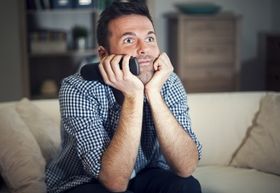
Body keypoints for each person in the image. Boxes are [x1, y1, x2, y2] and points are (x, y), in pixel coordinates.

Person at [46, 1, 202, 193]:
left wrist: (153, 93)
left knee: (188, 186)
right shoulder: (77, 88)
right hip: (86, 182)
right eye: (129, 40)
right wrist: (133, 96)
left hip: (145, 172)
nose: (144, 49)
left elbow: (186, 167)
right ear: (104, 54)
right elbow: (115, 182)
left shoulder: (167, 80)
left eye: (150, 38)